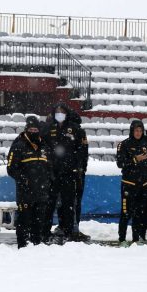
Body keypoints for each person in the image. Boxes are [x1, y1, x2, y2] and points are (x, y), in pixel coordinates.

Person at [43, 104, 88, 243]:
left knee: (69, 203)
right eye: (57, 112)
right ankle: (45, 232)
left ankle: (69, 232)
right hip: (52, 173)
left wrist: (78, 168)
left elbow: (81, 151)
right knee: (50, 204)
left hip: (69, 173)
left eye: (62, 111)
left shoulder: (75, 129)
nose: (60, 114)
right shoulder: (48, 129)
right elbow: (44, 148)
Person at [7, 116, 52, 248]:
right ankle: (22, 245)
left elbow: (50, 166)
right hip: (25, 192)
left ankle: (37, 245)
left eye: (36, 129)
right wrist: (23, 180)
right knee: (24, 220)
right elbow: (10, 168)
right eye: (31, 129)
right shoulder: (18, 146)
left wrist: (49, 180)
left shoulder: (44, 146)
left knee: (39, 221)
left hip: (42, 191)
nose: (33, 131)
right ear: (26, 130)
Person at [114, 119, 147, 246]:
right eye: (136, 130)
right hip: (128, 185)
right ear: (132, 131)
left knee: (139, 213)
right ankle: (122, 239)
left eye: (140, 130)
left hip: (143, 185)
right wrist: (135, 159)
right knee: (125, 213)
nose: (138, 133)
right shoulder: (124, 144)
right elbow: (120, 163)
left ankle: (136, 239)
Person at [67, 109, 90, 239]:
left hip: (68, 172)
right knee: (75, 201)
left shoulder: (66, 131)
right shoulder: (81, 133)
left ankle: (67, 227)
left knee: (67, 202)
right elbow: (85, 153)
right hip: (77, 172)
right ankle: (74, 227)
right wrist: (82, 169)